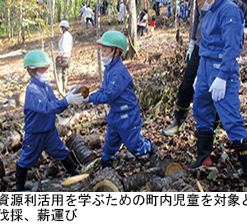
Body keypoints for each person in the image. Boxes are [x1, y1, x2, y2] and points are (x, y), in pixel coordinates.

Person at [182, 0, 247, 192]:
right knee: (200, 109)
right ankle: (204, 156)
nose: (199, 4)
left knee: (231, 118)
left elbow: (232, 48)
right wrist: (201, 72)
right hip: (206, 68)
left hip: (223, 71)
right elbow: (206, 44)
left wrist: (222, 76)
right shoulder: (208, 14)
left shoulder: (230, 12)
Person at [162, 0, 247, 136]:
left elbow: (246, 13)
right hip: (203, 44)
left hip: (222, 45)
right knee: (188, 82)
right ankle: (178, 121)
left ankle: (215, 127)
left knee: (220, 90)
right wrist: (192, 42)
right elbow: (198, 16)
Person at [78, 31, 158, 168]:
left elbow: (109, 95)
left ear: (116, 51)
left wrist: (89, 100)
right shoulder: (109, 69)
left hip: (128, 115)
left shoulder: (119, 71)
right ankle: (106, 162)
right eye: (101, 50)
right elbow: (103, 90)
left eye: (105, 50)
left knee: (134, 145)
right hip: (116, 113)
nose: (102, 53)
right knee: (110, 141)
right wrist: (86, 97)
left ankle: (148, 146)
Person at [15, 50, 83, 191]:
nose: (47, 71)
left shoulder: (46, 87)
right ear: (32, 71)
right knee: (26, 159)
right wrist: (66, 100)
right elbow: (46, 107)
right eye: (44, 69)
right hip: (35, 133)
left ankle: (75, 175)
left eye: (47, 68)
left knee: (62, 152)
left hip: (49, 131)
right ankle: (19, 188)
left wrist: (68, 99)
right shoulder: (32, 90)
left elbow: (56, 106)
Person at [56, 20, 73, 94]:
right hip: (68, 56)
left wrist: (60, 56)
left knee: (58, 72)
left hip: (63, 56)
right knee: (65, 72)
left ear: (64, 28)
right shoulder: (69, 36)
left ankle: (61, 88)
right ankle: (64, 87)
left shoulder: (65, 36)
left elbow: (63, 47)